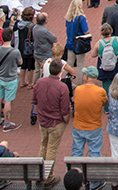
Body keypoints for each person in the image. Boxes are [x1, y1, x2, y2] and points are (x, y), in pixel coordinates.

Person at [33, 58, 72, 187]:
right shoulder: (62, 87)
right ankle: (48, 177)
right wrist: (66, 120)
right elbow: (65, 108)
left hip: (43, 121)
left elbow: (35, 100)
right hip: (56, 122)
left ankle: (39, 174)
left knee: (43, 145)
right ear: (61, 71)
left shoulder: (39, 82)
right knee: (51, 149)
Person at [71, 66, 108, 190]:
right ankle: (94, 182)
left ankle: (74, 179)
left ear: (87, 76)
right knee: (95, 153)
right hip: (94, 126)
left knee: (76, 152)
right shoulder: (100, 91)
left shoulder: (78, 89)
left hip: (78, 126)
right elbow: (105, 103)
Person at [0, 27, 23, 132]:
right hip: (11, 79)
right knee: (8, 101)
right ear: (11, 37)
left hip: (0, 77)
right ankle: (7, 123)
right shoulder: (15, 52)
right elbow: (20, 63)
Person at [93, 23, 118, 109]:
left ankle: (107, 107)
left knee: (105, 86)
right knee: (117, 84)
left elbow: (93, 55)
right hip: (116, 66)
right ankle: (117, 103)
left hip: (104, 67)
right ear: (110, 31)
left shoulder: (98, 43)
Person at [64, 0, 90, 81]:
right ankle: (79, 83)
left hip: (70, 43)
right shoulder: (81, 18)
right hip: (78, 43)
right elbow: (86, 31)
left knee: (69, 64)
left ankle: (68, 82)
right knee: (80, 65)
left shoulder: (68, 17)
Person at [15, 7, 36, 88]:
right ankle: (30, 83)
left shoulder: (19, 24)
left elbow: (14, 28)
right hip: (30, 48)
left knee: (23, 65)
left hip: (21, 47)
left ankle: (22, 81)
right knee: (31, 66)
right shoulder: (32, 26)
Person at [32, 13, 57, 81]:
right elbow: (55, 39)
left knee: (37, 71)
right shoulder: (45, 31)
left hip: (37, 53)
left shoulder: (34, 28)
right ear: (45, 21)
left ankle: (35, 84)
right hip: (45, 54)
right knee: (44, 72)